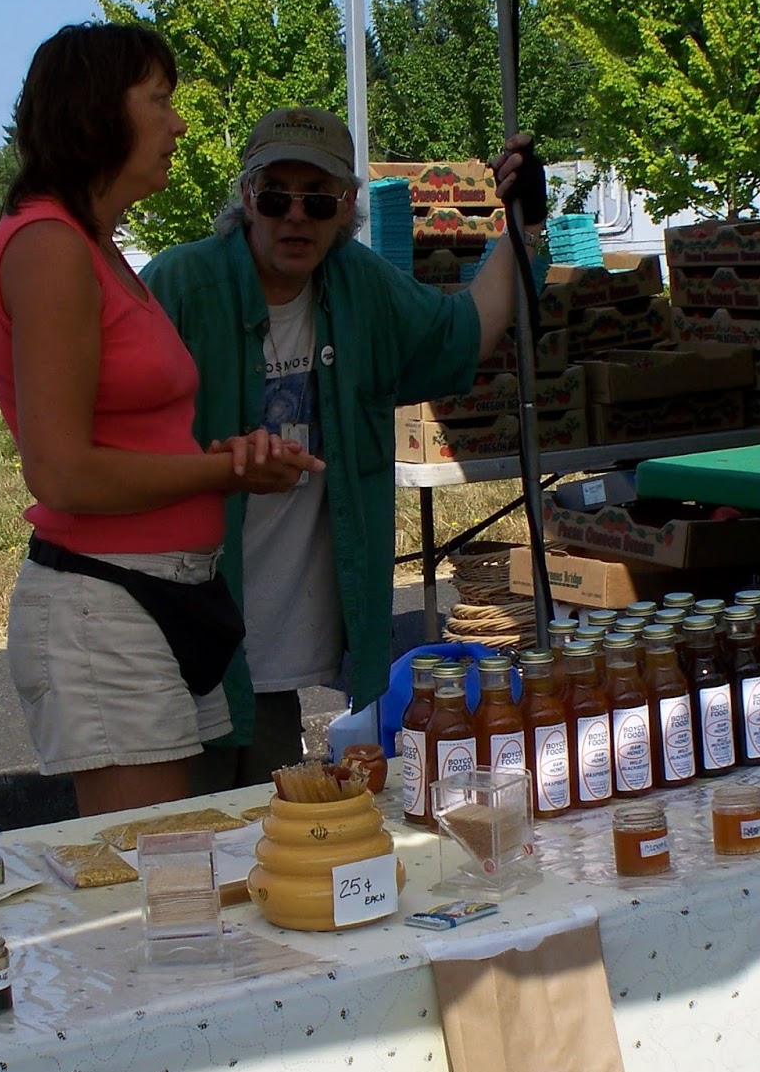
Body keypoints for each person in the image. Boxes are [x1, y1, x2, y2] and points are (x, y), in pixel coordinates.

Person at [0, 24, 319, 817]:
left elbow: (125, 437)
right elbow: (61, 471)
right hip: (104, 608)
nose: (178, 125)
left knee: (177, 877)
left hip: (156, 599)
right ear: (96, 112)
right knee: (155, 888)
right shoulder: (50, 248)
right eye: (159, 100)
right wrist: (225, 468)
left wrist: (216, 457)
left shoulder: (93, 247)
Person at [142, 105, 531, 790]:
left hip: (273, 647)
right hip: (176, 634)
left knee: (262, 835)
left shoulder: (360, 285)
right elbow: (115, 429)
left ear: (347, 205)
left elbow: (463, 334)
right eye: (276, 197)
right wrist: (212, 465)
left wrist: (521, 226)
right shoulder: (178, 284)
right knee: (176, 841)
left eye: (318, 200)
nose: (296, 216)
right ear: (245, 199)